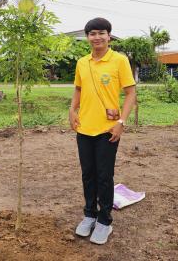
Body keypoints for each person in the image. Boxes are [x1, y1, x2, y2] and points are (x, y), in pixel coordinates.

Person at [69, 18, 136, 245]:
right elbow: (78, 88)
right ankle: (89, 214)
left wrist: (122, 121)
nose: (96, 37)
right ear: (87, 37)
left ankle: (105, 221)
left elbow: (131, 93)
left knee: (104, 176)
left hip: (108, 130)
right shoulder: (82, 62)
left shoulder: (119, 60)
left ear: (109, 36)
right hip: (84, 128)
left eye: (101, 33)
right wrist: (72, 110)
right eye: (92, 33)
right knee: (87, 174)